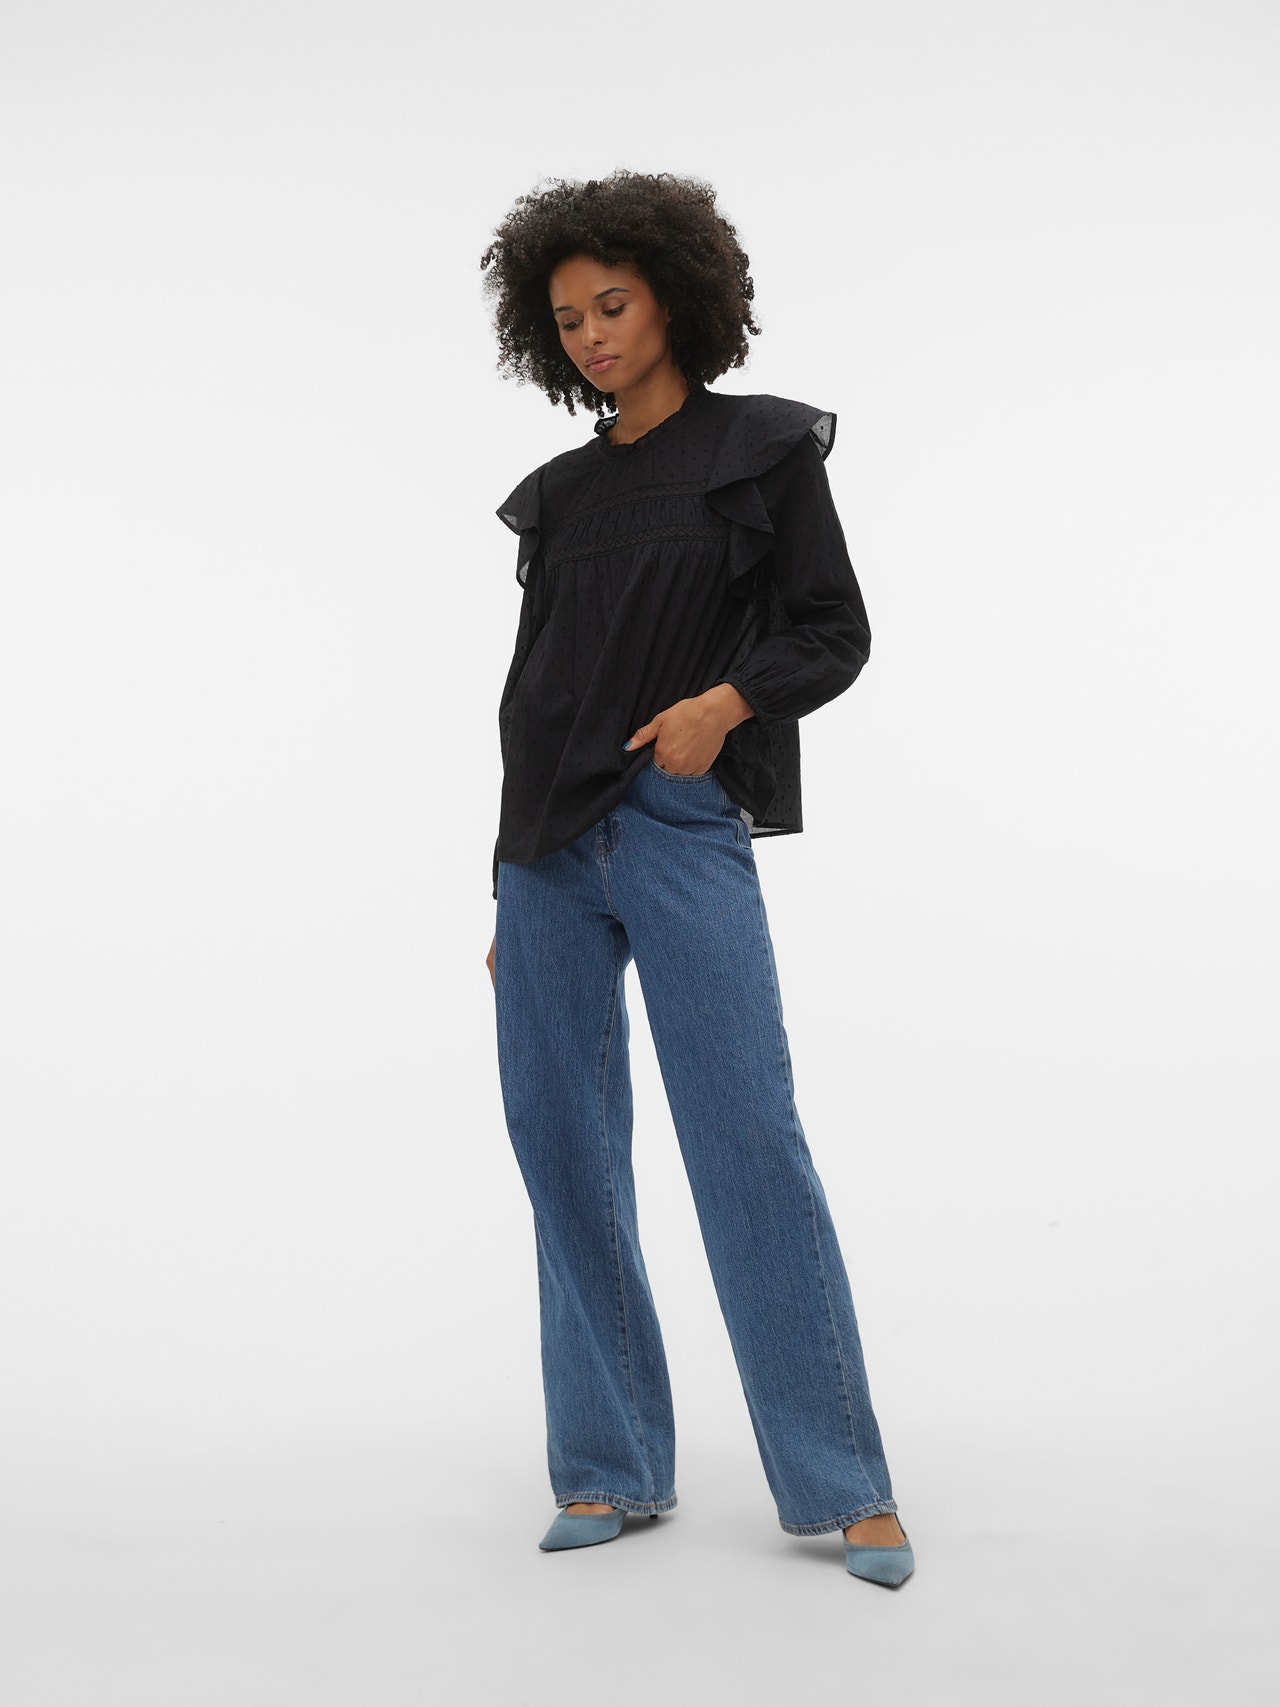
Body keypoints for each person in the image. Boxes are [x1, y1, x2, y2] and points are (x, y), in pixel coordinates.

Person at [479, 170, 913, 1587]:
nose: (594, 335)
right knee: (563, 1147)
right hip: (547, 854)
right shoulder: (561, 497)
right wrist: (504, 882)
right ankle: (608, 1467)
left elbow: (833, 630)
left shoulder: (759, 450)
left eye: (613, 304)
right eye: (568, 319)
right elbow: (536, 692)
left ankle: (844, 1484)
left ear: (674, 295)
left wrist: (721, 709)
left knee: (745, 1137)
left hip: (675, 823)